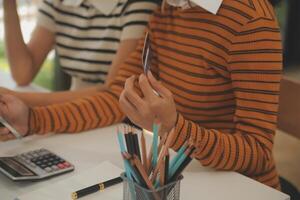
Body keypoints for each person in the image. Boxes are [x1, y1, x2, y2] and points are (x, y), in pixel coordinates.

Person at [0, 0, 282, 190]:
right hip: (182, 175)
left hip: (240, 187)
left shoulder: (251, 21)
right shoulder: (169, 9)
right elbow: (116, 98)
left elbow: (257, 151)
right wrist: (33, 119)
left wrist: (174, 127)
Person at [0, 0, 158, 106]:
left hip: (113, 119)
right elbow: (22, 73)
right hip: (70, 109)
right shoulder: (58, 2)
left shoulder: (138, 5)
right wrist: (8, 4)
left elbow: (111, 93)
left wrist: (18, 98)